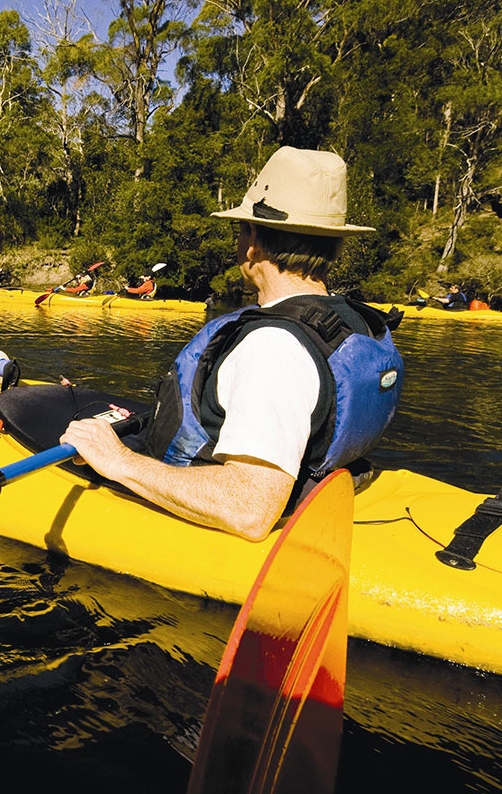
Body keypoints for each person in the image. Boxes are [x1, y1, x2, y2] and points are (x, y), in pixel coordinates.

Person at [60, 146, 403, 542]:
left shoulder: (271, 349)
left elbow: (249, 509)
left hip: (253, 511)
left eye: (241, 229)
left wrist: (118, 460)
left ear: (253, 240)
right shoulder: (353, 321)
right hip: (321, 482)